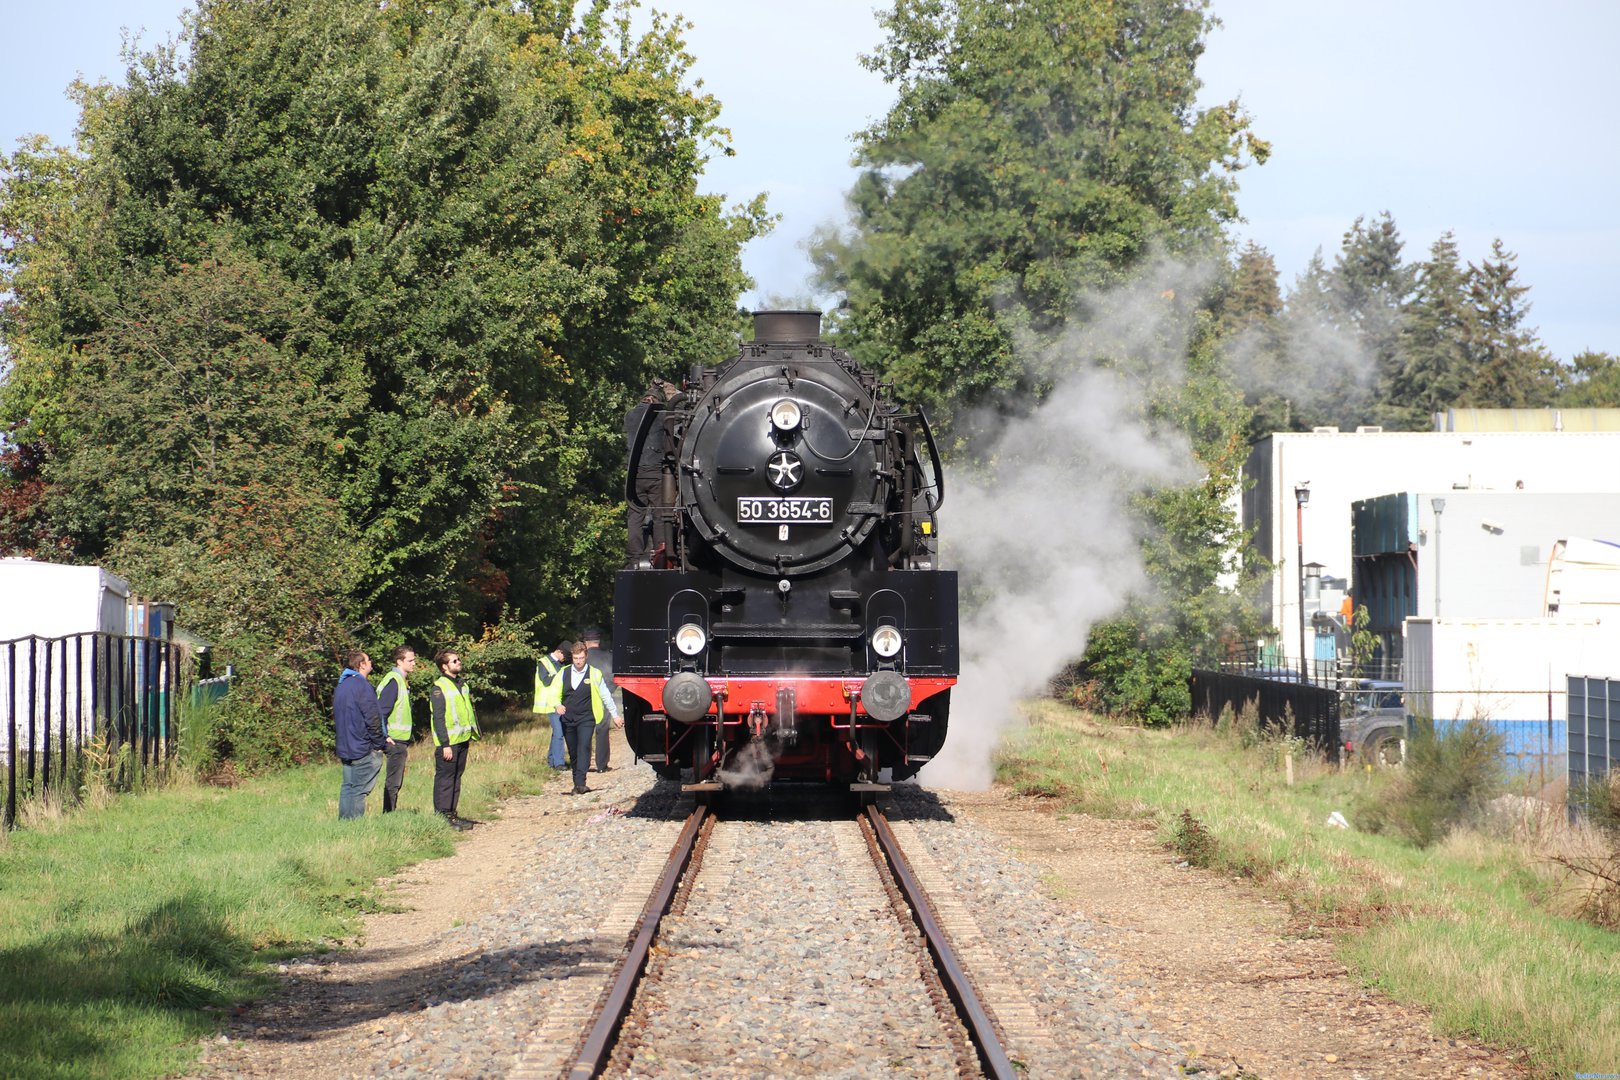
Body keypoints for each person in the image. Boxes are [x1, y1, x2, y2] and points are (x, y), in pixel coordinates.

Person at [557, 640, 620, 795]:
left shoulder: (594, 673)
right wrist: (556, 705)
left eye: (581, 658)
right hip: (568, 717)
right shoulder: (563, 672)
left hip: (587, 717)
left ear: (586, 657)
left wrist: (615, 715)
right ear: (572, 657)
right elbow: (554, 692)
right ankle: (576, 781)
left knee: (584, 746)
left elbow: (605, 695)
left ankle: (581, 783)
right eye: (576, 658)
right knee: (573, 751)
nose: (578, 662)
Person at [429, 648, 478, 831]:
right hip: (448, 743)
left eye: (458, 659)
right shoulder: (439, 688)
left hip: (462, 739)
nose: (459, 662)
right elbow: (438, 719)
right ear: (444, 666)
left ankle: (452, 813)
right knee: (445, 779)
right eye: (454, 661)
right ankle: (442, 816)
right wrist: (445, 745)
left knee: (457, 777)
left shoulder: (461, 684)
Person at [334, 650, 386, 819]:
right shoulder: (362, 686)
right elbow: (372, 717)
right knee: (358, 790)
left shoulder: (342, 686)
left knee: (347, 786)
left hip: (345, 745)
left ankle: (344, 825)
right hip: (361, 746)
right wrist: (379, 743)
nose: (371, 663)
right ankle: (355, 826)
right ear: (361, 664)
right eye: (368, 660)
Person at [376, 645, 418, 812]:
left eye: (414, 659)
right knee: (393, 781)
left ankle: (390, 813)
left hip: (399, 738)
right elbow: (381, 711)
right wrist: (384, 735)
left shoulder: (400, 680)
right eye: (410, 660)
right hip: (394, 739)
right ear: (399, 661)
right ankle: (389, 814)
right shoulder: (394, 681)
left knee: (396, 780)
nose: (414, 663)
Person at [582, 627, 618, 772]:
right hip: (603, 699)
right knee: (602, 731)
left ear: (586, 642)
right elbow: (615, 678)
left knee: (585, 731)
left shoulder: (582, 658)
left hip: (584, 699)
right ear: (598, 641)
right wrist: (608, 691)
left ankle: (583, 764)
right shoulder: (609, 657)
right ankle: (602, 765)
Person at [533, 640, 570, 769]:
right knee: (559, 733)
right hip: (550, 703)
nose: (565, 659)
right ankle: (559, 763)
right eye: (565, 656)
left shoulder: (561, 664)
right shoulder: (543, 662)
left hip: (559, 703)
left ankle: (551, 761)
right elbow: (546, 681)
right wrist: (562, 675)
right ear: (559, 651)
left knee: (557, 733)